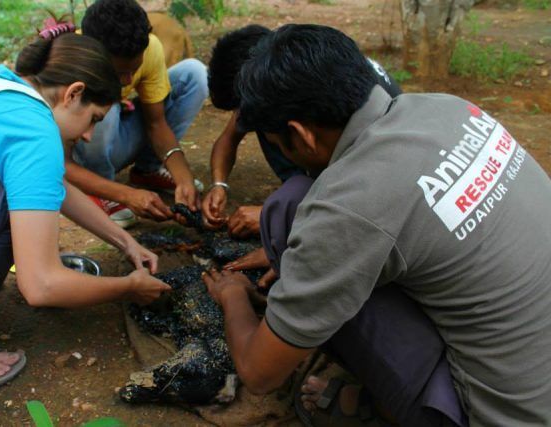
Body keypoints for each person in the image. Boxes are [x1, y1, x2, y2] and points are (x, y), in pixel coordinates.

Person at [203, 24, 551, 426]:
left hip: (506, 416)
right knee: (297, 206)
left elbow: (258, 374)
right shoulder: (447, 107)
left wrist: (232, 296)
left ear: (300, 134)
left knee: (289, 208)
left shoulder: (349, 205)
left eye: (278, 144)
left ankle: (395, 410)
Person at [0, 27, 171, 394]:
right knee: (5, 195)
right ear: (74, 93)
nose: (87, 137)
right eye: (94, 119)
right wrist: (127, 288)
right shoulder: (33, 128)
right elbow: (41, 286)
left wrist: (125, 242)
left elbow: (49, 182)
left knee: (10, 181)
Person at [202, 25, 401, 238]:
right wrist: (219, 185)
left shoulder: (356, 132)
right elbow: (228, 139)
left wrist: (278, 217)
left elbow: (360, 210)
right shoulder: (301, 62)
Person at [67, 0, 208, 225]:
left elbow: (156, 123)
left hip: (114, 141)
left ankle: (147, 170)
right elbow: (56, 161)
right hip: (79, 155)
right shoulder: (71, 60)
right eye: (121, 72)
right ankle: (99, 188)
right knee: (104, 105)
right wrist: (124, 195)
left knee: (194, 74)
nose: (128, 80)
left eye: (134, 70)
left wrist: (184, 179)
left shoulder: (148, 47)